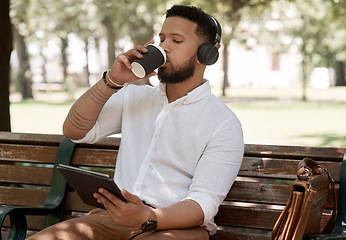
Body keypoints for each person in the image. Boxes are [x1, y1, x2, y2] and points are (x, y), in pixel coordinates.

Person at [27, 5, 244, 240]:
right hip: (110, 220)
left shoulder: (223, 123)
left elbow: (203, 203)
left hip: (176, 229)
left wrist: (148, 216)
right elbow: (75, 131)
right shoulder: (134, 97)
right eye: (162, 39)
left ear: (206, 54)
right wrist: (112, 80)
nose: (163, 47)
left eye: (176, 40)